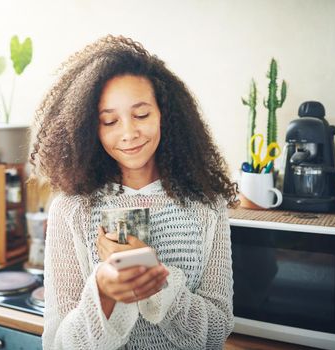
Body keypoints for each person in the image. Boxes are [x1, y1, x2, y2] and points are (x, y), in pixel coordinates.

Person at [30, 35, 237, 350]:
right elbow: (60, 344)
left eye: (141, 115)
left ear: (165, 114)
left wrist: (156, 281)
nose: (128, 133)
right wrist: (103, 292)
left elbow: (214, 335)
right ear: (89, 129)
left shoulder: (207, 206)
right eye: (109, 121)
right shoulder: (72, 210)